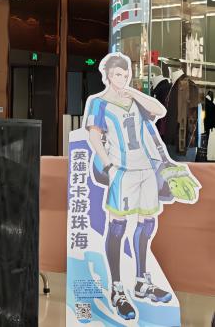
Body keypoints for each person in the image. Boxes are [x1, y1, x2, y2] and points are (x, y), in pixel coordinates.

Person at [83, 54, 200, 321]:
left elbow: (161, 111)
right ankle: (116, 289)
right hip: (122, 171)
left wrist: (134, 93)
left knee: (147, 224)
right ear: (107, 75)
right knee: (118, 226)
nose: (122, 79)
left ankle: (141, 281)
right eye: (117, 75)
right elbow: (94, 136)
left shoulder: (135, 100)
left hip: (147, 170)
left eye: (126, 75)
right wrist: (109, 167)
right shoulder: (99, 103)